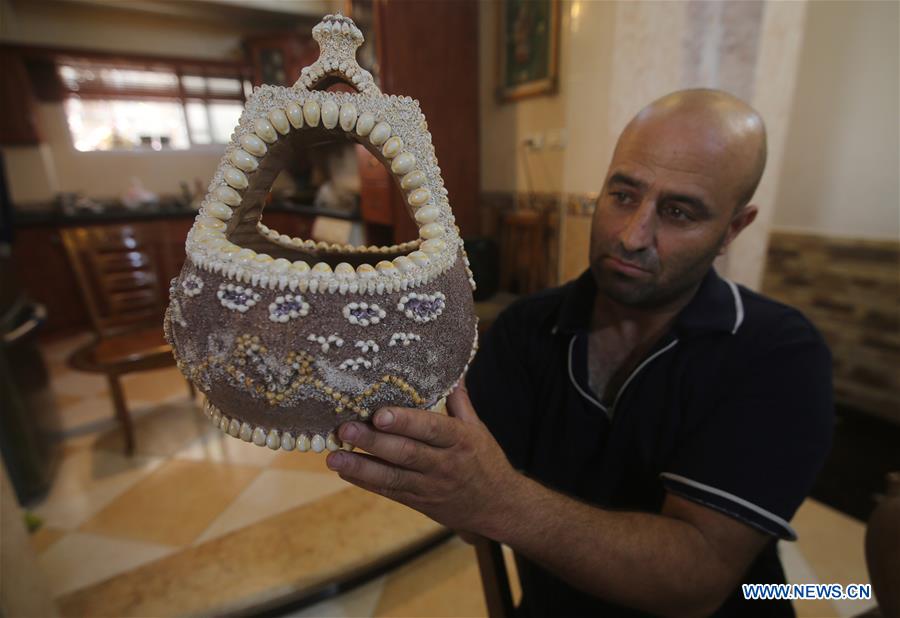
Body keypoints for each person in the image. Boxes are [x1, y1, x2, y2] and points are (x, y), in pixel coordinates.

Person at [325, 89, 834, 617]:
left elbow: (696, 578)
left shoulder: (778, 354)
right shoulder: (526, 329)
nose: (632, 236)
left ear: (733, 229)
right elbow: (471, 515)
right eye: (624, 195)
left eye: (679, 212)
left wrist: (501, 499)